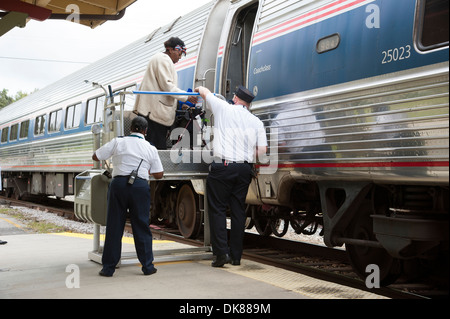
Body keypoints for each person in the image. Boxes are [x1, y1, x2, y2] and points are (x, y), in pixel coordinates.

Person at [194, 85, 268, 267]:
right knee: (238, 210)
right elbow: (262, 151)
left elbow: (204, 92)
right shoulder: (256, 121)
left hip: (223, 166)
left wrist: (198, 87)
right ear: (248, 104)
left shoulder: (223, 107)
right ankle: (236, 256)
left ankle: (221, 255)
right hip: (244, 169)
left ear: (235, 98)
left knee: (218, 208)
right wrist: (247, 154)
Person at [92, 116, 164, 276]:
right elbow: (159, 174)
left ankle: (108, 268)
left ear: (130, 129)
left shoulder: (118, 142)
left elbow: (96, 156)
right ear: (145, 131)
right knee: (141, 226)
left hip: (118, 185)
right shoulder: (150, 147)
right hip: (139, 186)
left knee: (114, 226)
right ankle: (147, 267)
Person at [133, 37, 197, 149]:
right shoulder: (163, 59)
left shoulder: (160, 59)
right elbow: (167, 86)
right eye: (179, 52)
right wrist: (187, 97)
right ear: (170, 49)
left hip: (152, 113)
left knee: (152, 147)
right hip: (154, 114)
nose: (180, 57)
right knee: (155, 149)